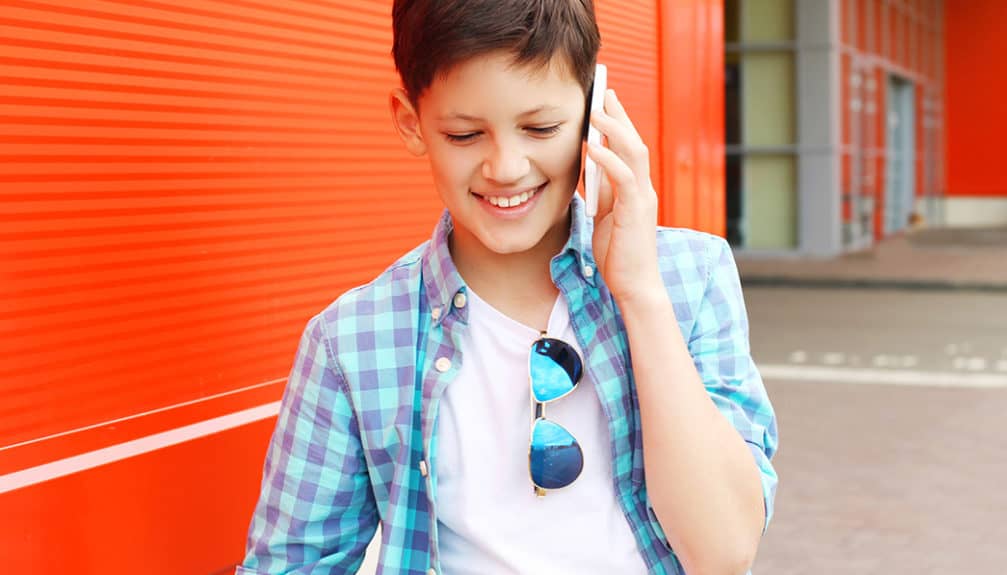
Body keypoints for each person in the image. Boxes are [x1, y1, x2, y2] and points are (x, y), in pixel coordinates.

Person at [236, 1, 778, 574]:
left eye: (540, 128)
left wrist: (640, 293)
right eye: (465, 134)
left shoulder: (691, 275)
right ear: (410, 122)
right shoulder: (352, 339)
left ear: (595, 110)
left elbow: (723, 551)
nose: (507, 167)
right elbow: (291, 565)